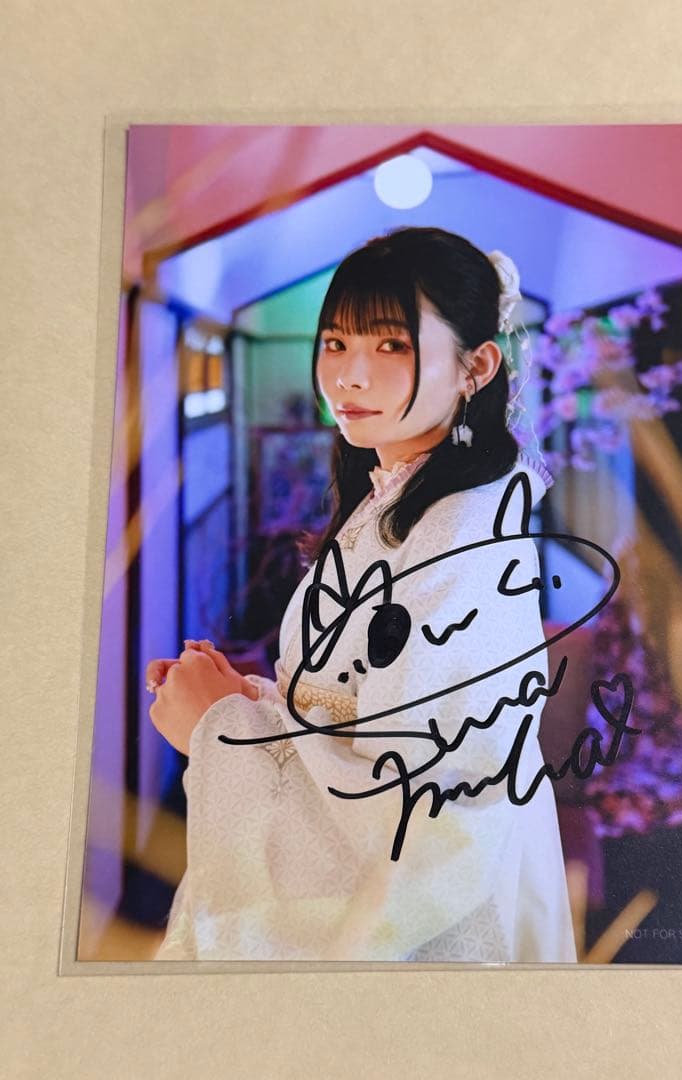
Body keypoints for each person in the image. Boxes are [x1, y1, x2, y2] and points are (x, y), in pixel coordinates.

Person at [146, 226, 577, 963]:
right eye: (336, 343)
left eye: (392, 345)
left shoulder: (464, 545)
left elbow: (429, 822)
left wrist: (219, 731)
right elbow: (354, 714)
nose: (348, 375)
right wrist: (248, 700)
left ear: (475, 367)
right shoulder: (397, 496)